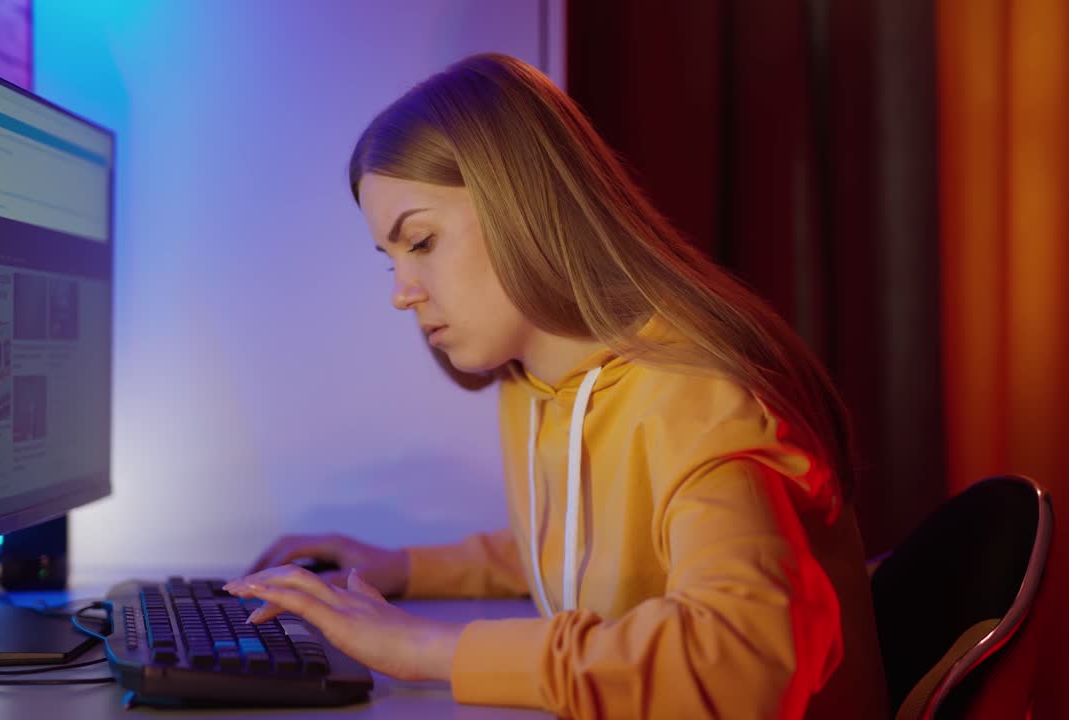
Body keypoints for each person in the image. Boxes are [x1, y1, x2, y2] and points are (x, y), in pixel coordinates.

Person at [225, 53, 889, 719]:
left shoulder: (700, 400)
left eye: (421, 242)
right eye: (390, 259)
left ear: (523, 205)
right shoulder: (538, 385)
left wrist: (431, 649)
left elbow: (743, 661)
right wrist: (403, 568)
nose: (402, 293)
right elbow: (590, 553)